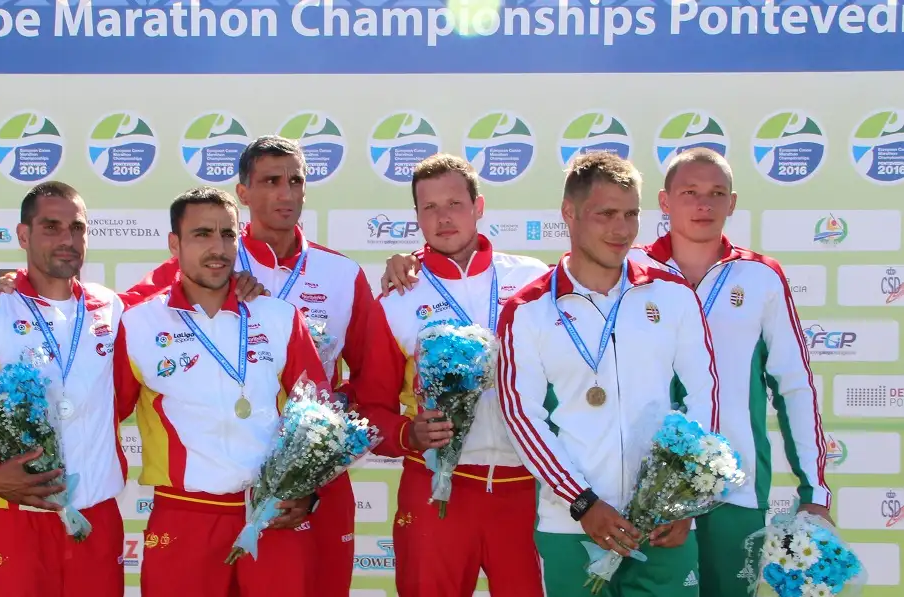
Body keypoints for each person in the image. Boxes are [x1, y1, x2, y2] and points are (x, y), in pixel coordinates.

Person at [124, 135, 372, 597]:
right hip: (189, 512)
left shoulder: (328, 282)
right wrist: (22, 286)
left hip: (284, 502)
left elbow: (344, 394)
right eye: (271, 181)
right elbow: (123, 323)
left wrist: (311, 478)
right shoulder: (152, 308)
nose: (285, 193)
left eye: (295, 181)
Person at [496, 152, 719, 597]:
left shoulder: (672, 294)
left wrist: (686, 498)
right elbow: (522, 417)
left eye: (632, 214)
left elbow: (705, 396)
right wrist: (582, 502)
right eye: (606, 214)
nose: (621, 229)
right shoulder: (528, 310)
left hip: (663, 525)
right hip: (572, 526)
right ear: (569, 214)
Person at [628, 147, 831, 597]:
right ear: (664, 202)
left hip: (735, 489)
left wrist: (815, 489)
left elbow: (794, 385)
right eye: (690, 192)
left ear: (732, 203)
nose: (704, 204)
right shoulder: (632, 272)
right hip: (645, 488)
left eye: (716, 193)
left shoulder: (761, 277)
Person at [354, 153, 548, 597]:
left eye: (455, 204)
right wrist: (410, 435)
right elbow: (371, 408)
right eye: (430, 208)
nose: (443, 218)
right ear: (417, 216)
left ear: (479, 208)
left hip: (526, 489)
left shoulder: (534, 279)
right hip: (437, 490)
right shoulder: (397, 297)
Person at [0, 181, 130, 597]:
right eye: (51, 227)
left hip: (97, 518)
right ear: (23, 236)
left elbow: (125, 396)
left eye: (77, 228)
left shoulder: (114, 308)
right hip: (14, 520)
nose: (67, 239)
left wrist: (238, 283)